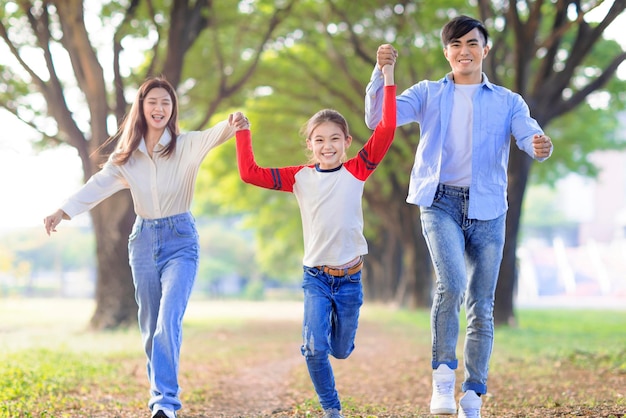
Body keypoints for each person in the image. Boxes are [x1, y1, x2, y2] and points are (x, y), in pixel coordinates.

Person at [364, 16, 553, 418]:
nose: (463, 51)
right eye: (455, 45)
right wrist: (382, 73)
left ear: (485, 50)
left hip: (488, 209)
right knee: (451, 285)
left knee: (481, 305)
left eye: (471, 43)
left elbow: (528, 135)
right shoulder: (428, 93)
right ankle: (443, 379)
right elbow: (381, 118)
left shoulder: (508, 101)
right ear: (446, 52)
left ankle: (473, 394)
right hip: (439, 202)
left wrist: (539, 145)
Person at [43, 76, 240, 418]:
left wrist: (233, 121)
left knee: (167, 320)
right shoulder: (127, 157)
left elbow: (219, 132)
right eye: (153, 102)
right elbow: (97, 185)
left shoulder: (187, 145)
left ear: (172, 109)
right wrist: (63, 210)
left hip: (181, 242)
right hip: (144, 242)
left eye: (166, 102)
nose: (159, 108)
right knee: (150, 325)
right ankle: (159, 394)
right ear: (142, 108)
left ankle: (165, 402)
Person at [231, 58, 396, 418]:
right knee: (313, 349)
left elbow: (386, 129)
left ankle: (337, 333)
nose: (327, 146)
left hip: (350, 278)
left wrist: (388, 77)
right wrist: (243, 131)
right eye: (319, 140)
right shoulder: (299, 178)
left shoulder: (358, 169)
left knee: (340, 350)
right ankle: (331, 410)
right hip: (315, 278)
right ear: (310, 144)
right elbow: (249, 173)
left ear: (347, 142)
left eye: (335, 139)